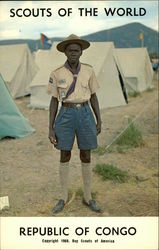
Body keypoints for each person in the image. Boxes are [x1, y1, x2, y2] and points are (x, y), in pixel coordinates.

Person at [47, 34, 102, 214]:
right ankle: (63, 197)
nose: (73, 53)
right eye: (70, 50)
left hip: (85, 113)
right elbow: (54, 101)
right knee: (65, 154)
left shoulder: (88, 71)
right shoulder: (56, 73)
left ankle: (88, 197)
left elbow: (94, 96)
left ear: (81, 52)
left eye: (76, 50)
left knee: (86, 154)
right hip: (66, 115)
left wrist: (98, 119)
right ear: (65, 52)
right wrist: (51, 127)